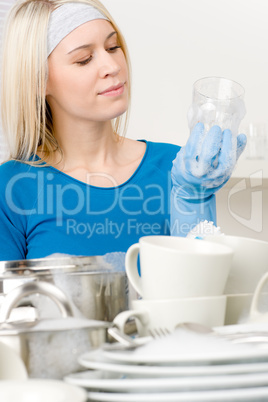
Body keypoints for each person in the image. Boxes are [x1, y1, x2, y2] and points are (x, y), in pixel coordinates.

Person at [0, 0, 246, 261]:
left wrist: (196, 200)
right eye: (84, 60)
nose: (113, 66)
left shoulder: (178, 170)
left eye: (113, 47)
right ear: (38, 81)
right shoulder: (13, 188)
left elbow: (200, 290)